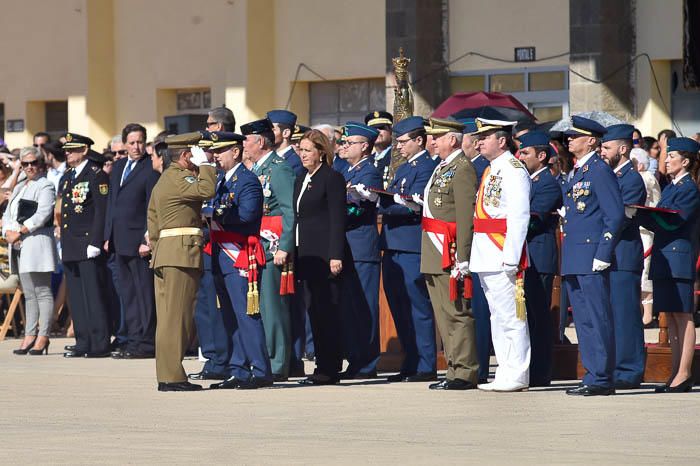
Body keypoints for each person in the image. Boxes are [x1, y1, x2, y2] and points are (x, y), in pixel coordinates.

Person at [147, 131, 216, 392]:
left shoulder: (164, 179)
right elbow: (206, 190)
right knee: (178, 318)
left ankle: (168, 373)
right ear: (186, 156)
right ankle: (172, 376)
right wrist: (207, 166)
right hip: (181, 254)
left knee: (168, 318)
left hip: (166, 253)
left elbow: (153, 221)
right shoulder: (181, 177)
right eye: (196, 154)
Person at [560, 116, 625, 396]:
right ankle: (592, 373)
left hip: (591, 254)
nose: (569, 140)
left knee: (597, 318)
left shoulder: (599, 170)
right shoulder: (578, 171)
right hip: (575, 253)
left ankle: (602, 377)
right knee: (583, 320)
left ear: (591, 140)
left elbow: (615, 215)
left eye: (574, 136)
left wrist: (604, 252)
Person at [467, 119, 531, 392]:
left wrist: (512, 257)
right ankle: (505, 370)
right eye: (478, 137)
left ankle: (518, 373)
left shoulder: (514, 170)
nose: (478, 142)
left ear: (502, 140)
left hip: (502, 249)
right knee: (497, 316)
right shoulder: (492, 168)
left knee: (512, 316)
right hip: (485, 250)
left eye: (485, 137)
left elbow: (518, 216)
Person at [205, 131, 273, 390]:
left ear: (235, 152)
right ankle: (238, 369)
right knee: (229, 315)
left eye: (220, 151)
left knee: (246, 314)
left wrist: (216, 214)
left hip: (240, 254)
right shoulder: (220, 180)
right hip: (221, 254)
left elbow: (246, 216)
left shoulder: (248, 181)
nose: (216, 157)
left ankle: (260, 368)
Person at [378, 117, 438, 383]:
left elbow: (413, 204)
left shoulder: (427, 167)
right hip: (392, 244)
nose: (399, 147)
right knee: (399, 306)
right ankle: (410, 360)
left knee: (418, 306)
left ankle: (426, 363)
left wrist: (388, 205)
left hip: (412, 245)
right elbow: (395, 199)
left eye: (403, 142)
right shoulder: (403, 169)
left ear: (419, 140)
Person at [421, 117, 479, 390]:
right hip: (434, 248)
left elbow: (466, 217)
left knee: (457, 312)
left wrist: (463, 257)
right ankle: (453, 368)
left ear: (452, 139)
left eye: (437, 136)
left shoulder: (462, 168)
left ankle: (465, 371)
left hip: (450, 249)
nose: (432, 141)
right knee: (443, 314)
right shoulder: (443, 166)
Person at [639, 137, 700, 393]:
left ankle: (684, 373)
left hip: (679, 255)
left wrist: (645, 215)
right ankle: (675, 371)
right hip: (666, 255)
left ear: (685, 161)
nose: (666, 160)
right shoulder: (673, 186)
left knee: (683, 316)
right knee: (671, 316)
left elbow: (675, 220)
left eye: (672, 156)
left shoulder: (689, 188)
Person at [241, 118, 296, 382]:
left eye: (247, 140)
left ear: (260, 142)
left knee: (273, 307)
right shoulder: (255, 170)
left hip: (273, 245)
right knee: (260, 305)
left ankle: (278, 364)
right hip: (256, 244)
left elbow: (288, 210)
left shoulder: (279, 169)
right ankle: (265, 359)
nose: (244, 145)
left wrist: (285, 246)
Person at [294, 129, 347, 385]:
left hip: (326, 256)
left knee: (327, 311)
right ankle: (320, 364)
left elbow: (338, 219)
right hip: (306, 256)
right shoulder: (301, 178)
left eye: (307, 150)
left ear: (321, 152)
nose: (302, 154)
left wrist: (335, 254)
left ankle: (330, 367)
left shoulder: (331, 178)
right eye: (300, 149)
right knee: (314, 311)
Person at [104, 123, 160, 359]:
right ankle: (133, 339)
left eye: (140, 142)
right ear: (125, 145)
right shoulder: (118, 167)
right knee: (128, 294)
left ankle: (146, 342)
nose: (136, 147)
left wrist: (146, 239)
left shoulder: (150, 169)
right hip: (119, 241)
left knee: (143, 294)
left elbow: (152, 207)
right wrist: (107, 236)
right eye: (132, 142)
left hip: (139, 243)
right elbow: (112, 204)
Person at [599, 124, 647, 389]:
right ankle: (614, 367)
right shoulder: (608, 175)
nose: (603, 152)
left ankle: (629, 370)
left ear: (623, 148)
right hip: (607, 254)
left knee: (625, 315)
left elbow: (617, 219)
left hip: (623, 254)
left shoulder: (631, 179)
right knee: (610, 315)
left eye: (607, 147)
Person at [60, 133, 113, 358]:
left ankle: (99, 343)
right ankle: (83, 340)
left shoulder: (95, 174)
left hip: (88, 242)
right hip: (71, 242)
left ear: (83, 150)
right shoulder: (69, 176)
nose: (67, 154)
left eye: (72, 150)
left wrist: (96, 241)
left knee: (93, 294)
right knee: (77, 296)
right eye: (67, 150)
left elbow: (102, 211)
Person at [517, 131, 562, 386]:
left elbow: (535, 218)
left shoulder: (547, 183)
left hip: (539, 256)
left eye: (525, 153)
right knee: (525, 316)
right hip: (524, 255)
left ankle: (541, 372)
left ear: (542, 156)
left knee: (538, 316)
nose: (520, 157)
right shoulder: (527, 179)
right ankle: (528, 368)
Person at [4, 147, 58, 355]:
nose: (29, 167)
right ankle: (29, 335)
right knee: (29, 293)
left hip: (37, 243)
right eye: (25, 164)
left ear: (41, 164)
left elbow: (43, 213)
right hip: (19, 244)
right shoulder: (19, 186)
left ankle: (43, 336)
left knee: (42, 292)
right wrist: (8, 231)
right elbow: (9, 212)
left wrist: (19, 231)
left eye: (33, 163)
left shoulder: (45, 185)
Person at [339, 122, 382, 379]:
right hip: (347, 245)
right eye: (343, 142)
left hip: (361, 246)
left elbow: (358, 207)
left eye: (349, 143)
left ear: (364, 147)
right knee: (350, 308)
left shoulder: (369, 172)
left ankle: (366, 363)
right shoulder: (347, 170)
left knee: (364, 306)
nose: (344, 146)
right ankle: (354, 358)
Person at [460, 118, 492, 383]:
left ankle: (480, 367)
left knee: (481, 312)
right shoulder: (471, 166)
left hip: (482, 245)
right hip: (472, 245)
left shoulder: (481, 168)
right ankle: (474, 365)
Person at [630, 148, 661, 326]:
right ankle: (641, 311)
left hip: (646, 231)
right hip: (638, 229)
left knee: (645, 273)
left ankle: (648, 313)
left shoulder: (646, 178)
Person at [268, 110, 304, 176]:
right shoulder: (268, 159)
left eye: (272, 130)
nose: (267, 134)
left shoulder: (294, 163)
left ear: (286, 133)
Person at [365, 111, 393, 187]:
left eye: (381, 127)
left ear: (390, 130)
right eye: (373, 128)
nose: (377, 131)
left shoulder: (396, 157)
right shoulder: (367, 160)